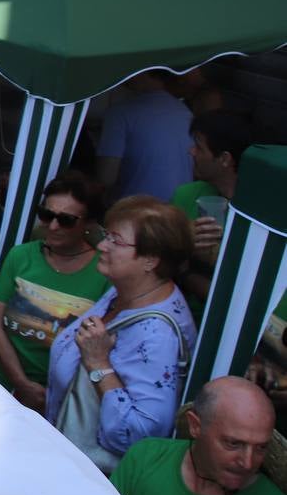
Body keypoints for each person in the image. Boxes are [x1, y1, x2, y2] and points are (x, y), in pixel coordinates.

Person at [46, 196, 197, 464]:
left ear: (151, 260)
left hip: (89, 481)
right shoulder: (123, 291)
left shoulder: (158, 336)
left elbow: (139, 436)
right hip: (61, 454)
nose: (102, 245)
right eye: (106, 235)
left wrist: (98, 364)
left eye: (116, 240)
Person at [111, 376, 286, 495]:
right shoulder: (146, 459)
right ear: (195, 426)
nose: (247, 463)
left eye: (261, 447)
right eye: (233, 444)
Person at [0, 172, 110, 412]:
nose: (52, 226)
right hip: (2, 386)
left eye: (66, 220)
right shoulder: (21, 256)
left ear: (89, 223)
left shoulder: (103, 274)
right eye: (46, 215)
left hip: (59, 400)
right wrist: (21, 384)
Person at [171, 110, 253, 310]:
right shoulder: (187, 195)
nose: (191, 151)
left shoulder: (259, 214)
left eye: (199, 147)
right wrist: (182, 240)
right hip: (182, 314)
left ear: (225, 159)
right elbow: (154, 255)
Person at [96, 71, 193, 202]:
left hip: (138, 213)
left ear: (142, 72)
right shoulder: (185, 111)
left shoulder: (120, 113)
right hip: (180, 210)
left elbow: (106, 177)